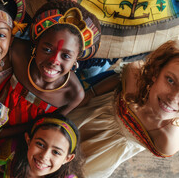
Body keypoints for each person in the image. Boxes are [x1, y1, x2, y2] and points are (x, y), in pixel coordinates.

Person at [67, 39, 179, 178]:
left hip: (97, 158)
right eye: (170, 80)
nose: (174, 98)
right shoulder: (136, 75)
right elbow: (117, 79)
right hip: (83, 118)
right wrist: (88, 95)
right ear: (156, 72)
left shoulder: (166, 140)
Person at [0, 0, 101, 138]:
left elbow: (42, 126)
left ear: (76, 58)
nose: (54, 61)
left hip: (16, 139)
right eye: (47, 49)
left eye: (65, 55)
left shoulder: (74, 94)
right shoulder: (17, 51)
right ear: (36, 44)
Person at [0, 113, 84, 178]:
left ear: (67, 159)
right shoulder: (12, 150)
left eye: (56, 152)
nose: (44, 156)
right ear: (28, 140)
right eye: (40, 144)